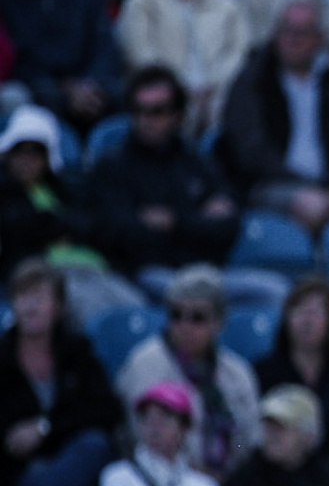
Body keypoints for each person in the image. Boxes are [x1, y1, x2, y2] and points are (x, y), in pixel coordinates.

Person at [88, 66, 290, 311]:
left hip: (206, 273)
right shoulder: (112, 167)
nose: (146, 120)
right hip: (149, 274)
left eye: (157, 111)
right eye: (138, 110)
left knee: (277, 291)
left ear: (178, 115)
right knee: (187, 297)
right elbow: (123, 235)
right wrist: (197, 221)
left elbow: (228, 225)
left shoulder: (195, 162)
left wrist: (174, 222)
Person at [218, 0, 329, 235]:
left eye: (303, 32)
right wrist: (308, 186)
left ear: (320, 39)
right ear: (275, 35)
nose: (293, 40)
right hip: (269, 184)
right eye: (287, 31)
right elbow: (251, 150)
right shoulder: (253, 81)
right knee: (315, 207)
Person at [0, 104, 148, 324]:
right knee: (92, 315)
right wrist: (56, 227)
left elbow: (92, 225)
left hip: (94, 268)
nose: (27, 160)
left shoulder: (67, 188)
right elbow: (19, 229)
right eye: (20, 151)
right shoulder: (5, 193)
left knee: (137, 308)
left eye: (35, 152)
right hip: (45, 274)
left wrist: (55, 226)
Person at [0, 259, 124, 486]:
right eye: (23, 296)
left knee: (94, 445)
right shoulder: (2, 357)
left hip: (72, 461)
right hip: (18, 473)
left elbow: (107, 410)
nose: (30, 306)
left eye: (39, 298)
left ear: (58, 307)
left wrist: (45, 428)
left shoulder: (77, 352)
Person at [115, 264, 261, 482]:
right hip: (160, 478)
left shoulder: (236, 373)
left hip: (229, 480)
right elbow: (142, 436)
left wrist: (232, 470)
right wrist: (197, 476)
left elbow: (246, 439)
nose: (185, 326)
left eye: (197, 317)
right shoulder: (146, 363)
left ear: (219, 322)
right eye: (176, 315)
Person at [115, 0, 251, 139]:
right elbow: (140, 52)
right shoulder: (141, 2)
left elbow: (238, 52)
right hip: (165, 89)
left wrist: (212, 86)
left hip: (216, 90)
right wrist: (180, 86)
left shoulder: (228, 5)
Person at [253, 275, 329, 464]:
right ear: (286, 318)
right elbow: (249, 436)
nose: (307, 320)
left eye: (316, 312)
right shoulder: (262, 372)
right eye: (299, 310)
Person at [0, 0, 124, 135]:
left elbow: (103, 47)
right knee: (35, 97)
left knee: (125, 95)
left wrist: (90, 84)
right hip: (39, 84)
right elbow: (16, 58)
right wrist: (66, 89)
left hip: (89, 83)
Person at [98, 380, 225, 486]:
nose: (154, 428)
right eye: (147, 418)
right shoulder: (117, 478)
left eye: (165, 418)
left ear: (185, 429)